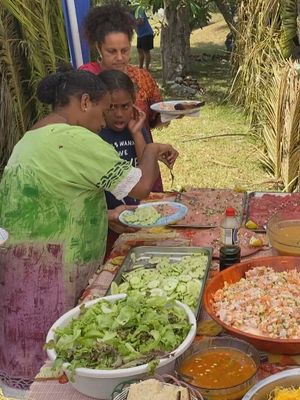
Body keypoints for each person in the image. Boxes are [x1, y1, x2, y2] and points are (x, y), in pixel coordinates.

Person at [0, 68, 178, 389]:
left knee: (33, 372)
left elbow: (58, 196)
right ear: (85, 102)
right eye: (104, 107)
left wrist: (106, 214)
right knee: (58, 372)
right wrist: (150, 150)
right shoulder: (74, 137)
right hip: (51, 273)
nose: (105, 118)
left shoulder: (34, 136)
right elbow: (138, 188)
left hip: (21, 270)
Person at [80, 3, 164, 190]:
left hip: (142, 165)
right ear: (99, 48)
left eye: (125, 50)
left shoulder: (142, 78)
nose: (120, 58)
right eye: (112, 51)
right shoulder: (85, 78)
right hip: (101, 174)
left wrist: (169, 115)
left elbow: (154, 121)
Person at [98, 69, 151, 210]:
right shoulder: (96, 135)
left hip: (137, 212)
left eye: (125, 106)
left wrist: (136, 133)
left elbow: (146, 172)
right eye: (111, 107)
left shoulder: (137, 130)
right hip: (109, 219)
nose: (119, 114)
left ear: (133, 102)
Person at [133, 5, 154, 70]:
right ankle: (141, 67)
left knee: (146, 51)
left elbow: (141, 21)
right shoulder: (129, 13)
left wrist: (131, 23)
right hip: (140, 35)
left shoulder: (139, 9)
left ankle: (147, 69)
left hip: (147, 33)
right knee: (139, 50)